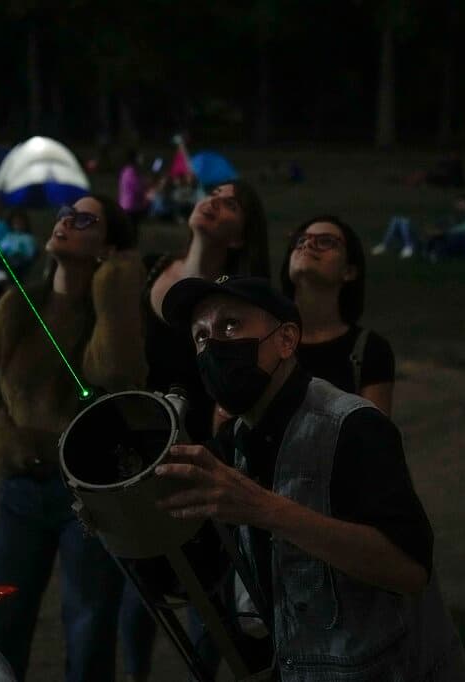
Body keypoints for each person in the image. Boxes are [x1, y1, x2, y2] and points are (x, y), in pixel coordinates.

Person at [155, 276, 465, 681]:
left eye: (231, 325)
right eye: (200, 336)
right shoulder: (233, 442)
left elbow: (409, 570)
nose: (213, 346)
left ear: (286, 340)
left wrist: (265, 509)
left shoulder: (352, 426)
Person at [0, 195, 146, 682]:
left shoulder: (113, 315)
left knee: (88, 626)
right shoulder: (19, 306)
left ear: (108, 247)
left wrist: (112, 286)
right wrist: (5, 444)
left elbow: (115, 374)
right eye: (66, 213)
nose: (66, 221)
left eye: (85, 219)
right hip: (22, 488)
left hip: (89, 497)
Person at [120, 179, 270, 682]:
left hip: (201, 456)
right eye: (213, 194)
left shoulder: (237, 298)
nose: (213, 202)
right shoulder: (153, 269)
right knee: (140, 593)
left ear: (240, 236)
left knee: (205, 592)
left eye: (230, 204)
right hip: (136, 454)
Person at [281, 215, 395, 414]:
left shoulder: (369, 350)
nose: (308, 244)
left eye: (326, 241)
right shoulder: (266, 338)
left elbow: (374, 430)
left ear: (349, 271)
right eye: (301, 239)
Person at [423, 193, 465, 261]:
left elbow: (459, 230)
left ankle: (438, 254)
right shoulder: (453, 217)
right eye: (457, 203)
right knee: (440, 236)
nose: (459, 205)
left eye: (461, 203)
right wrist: (431, 230)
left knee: (461, 236)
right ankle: (430, 252)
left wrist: (439, 232)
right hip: (458, 244)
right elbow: (437, 224)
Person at [119, 149, 149, 229]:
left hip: (132, 205)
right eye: (139, 157)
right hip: (130, 206)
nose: (142, 158)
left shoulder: (130, 170)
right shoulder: (130, 171)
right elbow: (137, 188)